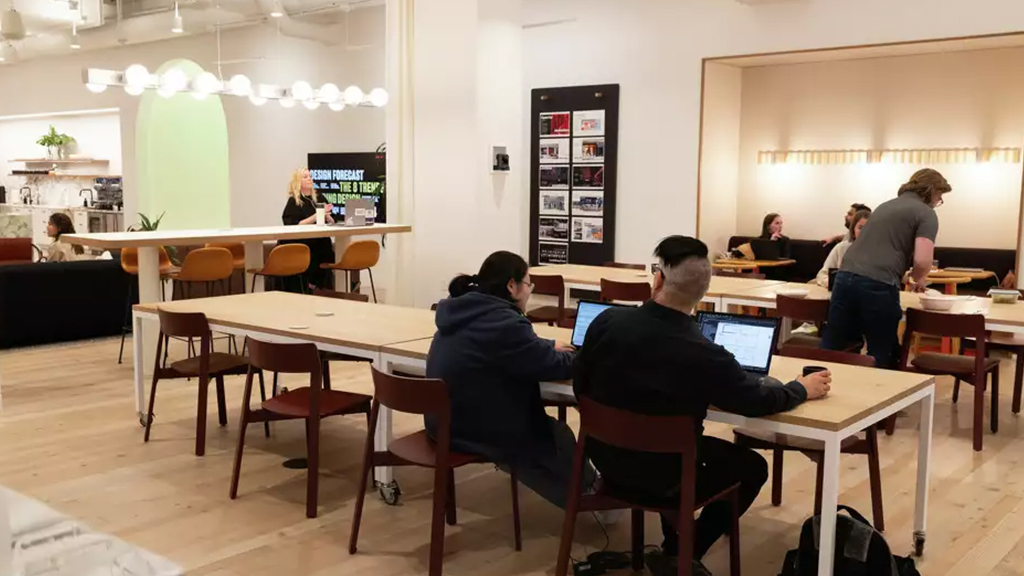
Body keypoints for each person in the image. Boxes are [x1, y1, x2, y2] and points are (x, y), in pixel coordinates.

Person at [574, 235, 831, 576]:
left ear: (658, 279)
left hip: (606, 461)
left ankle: (674, 548)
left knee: (671, 444)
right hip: (668, 477)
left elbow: (581, 383)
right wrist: (800, 388)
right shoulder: (706, 354)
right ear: (703, 293)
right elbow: (756, 401)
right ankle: (685, 550)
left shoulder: (606, 323)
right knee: (751, 466)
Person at [426, 251, 592, 508]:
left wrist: (546, 345)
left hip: (444, 422)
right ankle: (587, 497)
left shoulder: (461, 309)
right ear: (511, 286)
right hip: (475, 428)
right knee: (556, 435)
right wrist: (591, 356)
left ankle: (576, 497)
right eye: (528, 284)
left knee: (535, 439)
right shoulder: (504, 322)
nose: (529, 291)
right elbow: (549, 365)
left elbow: (516, 348)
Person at [823, 168, 950, 368]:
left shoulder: (885, 206)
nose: (938, 202)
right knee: (883, 352)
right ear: (932, 191)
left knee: (837, 348)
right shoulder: (926, 213)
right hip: (878, 283)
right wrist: (918, 278)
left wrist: (913, 275)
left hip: (844, 277)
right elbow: (923, 261)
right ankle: (880, 395)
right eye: (940, 196)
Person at [281, 168, 334, 289]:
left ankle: (320, 284)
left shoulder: (320, 198)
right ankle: (311, 284)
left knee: (325, 244)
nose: (310, 179)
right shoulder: (294, 201)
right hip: (303, 241)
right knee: (315, 248)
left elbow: (332, 220)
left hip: (320, 240)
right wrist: (316, 216)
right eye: (305, 177)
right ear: (298, 182)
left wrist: (328, 216)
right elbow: (294, 224)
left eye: (310, 176)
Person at [814, 209, 870, 287]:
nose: (864, 232)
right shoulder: (841, 248)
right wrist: (831, 282)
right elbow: (822, 275)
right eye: (860, 228)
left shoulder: (880, 251)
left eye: (868, 228)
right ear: (853, 230)